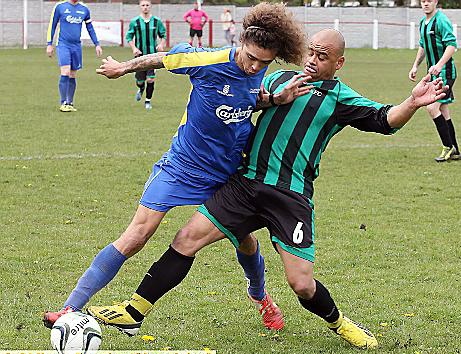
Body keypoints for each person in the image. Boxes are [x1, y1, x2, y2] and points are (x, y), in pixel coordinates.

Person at [87, 29, 447, 349]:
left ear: (339, 63)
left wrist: (413, 102)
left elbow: (385, 119)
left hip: (289, 198)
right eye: (310, 52)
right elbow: (246, 101)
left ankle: (340, 323)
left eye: (322, 57)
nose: (313, 60)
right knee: (186, 239)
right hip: (244, 185)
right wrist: (269, 98)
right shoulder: (278, 80)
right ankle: (134, 312)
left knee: (301, 284)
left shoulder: (341, 99)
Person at [43, 2, 310, 333]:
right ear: (241, 41)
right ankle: (70, 307)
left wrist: (275, 99)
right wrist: (123, 67)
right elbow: (163, 59)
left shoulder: (259, 72)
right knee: (136, 235)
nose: (255, 66)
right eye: (250, 57)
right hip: (182, 165)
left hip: (228, 174)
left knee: (246, 241)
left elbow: (249, 98)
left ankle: (260, 296)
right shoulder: (207, 60)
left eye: (264, 62)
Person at [409, 0, 460, 162]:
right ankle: (455, 150)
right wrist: (415, 66)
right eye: (423, 1)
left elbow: (452, 45)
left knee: (432, 107)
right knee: (443, 110)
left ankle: (447, 146)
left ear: (435, 2)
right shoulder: (423, 23)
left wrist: (438, 65)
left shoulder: (441, 20)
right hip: (433, 74)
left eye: (429, 1)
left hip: (445, 72)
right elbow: (423, 46)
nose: (425, 4)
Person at [46, 0, 103, 112]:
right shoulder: (60, 7)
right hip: (63, 44)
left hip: (76, 46)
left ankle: (70, 102)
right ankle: (63, 103)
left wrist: (97, 44)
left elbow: (90, 28)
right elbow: (52, 25)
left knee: (72, 74)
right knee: (65, 71)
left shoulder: (84, 9)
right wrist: (49, 44)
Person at [126, 0, 166, 110]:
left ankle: (148, 101)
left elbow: (163, 35)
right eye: (143, 5)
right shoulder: (135, 21)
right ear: (140, 7)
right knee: (140, 81)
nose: (145, 7)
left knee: (151, 79)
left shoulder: (157, 21)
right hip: (139, 56)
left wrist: (161, 44)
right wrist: (134, 48)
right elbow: (129, 37)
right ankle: (141, 88)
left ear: (150, 7)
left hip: (153, 56)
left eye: (147, 5)